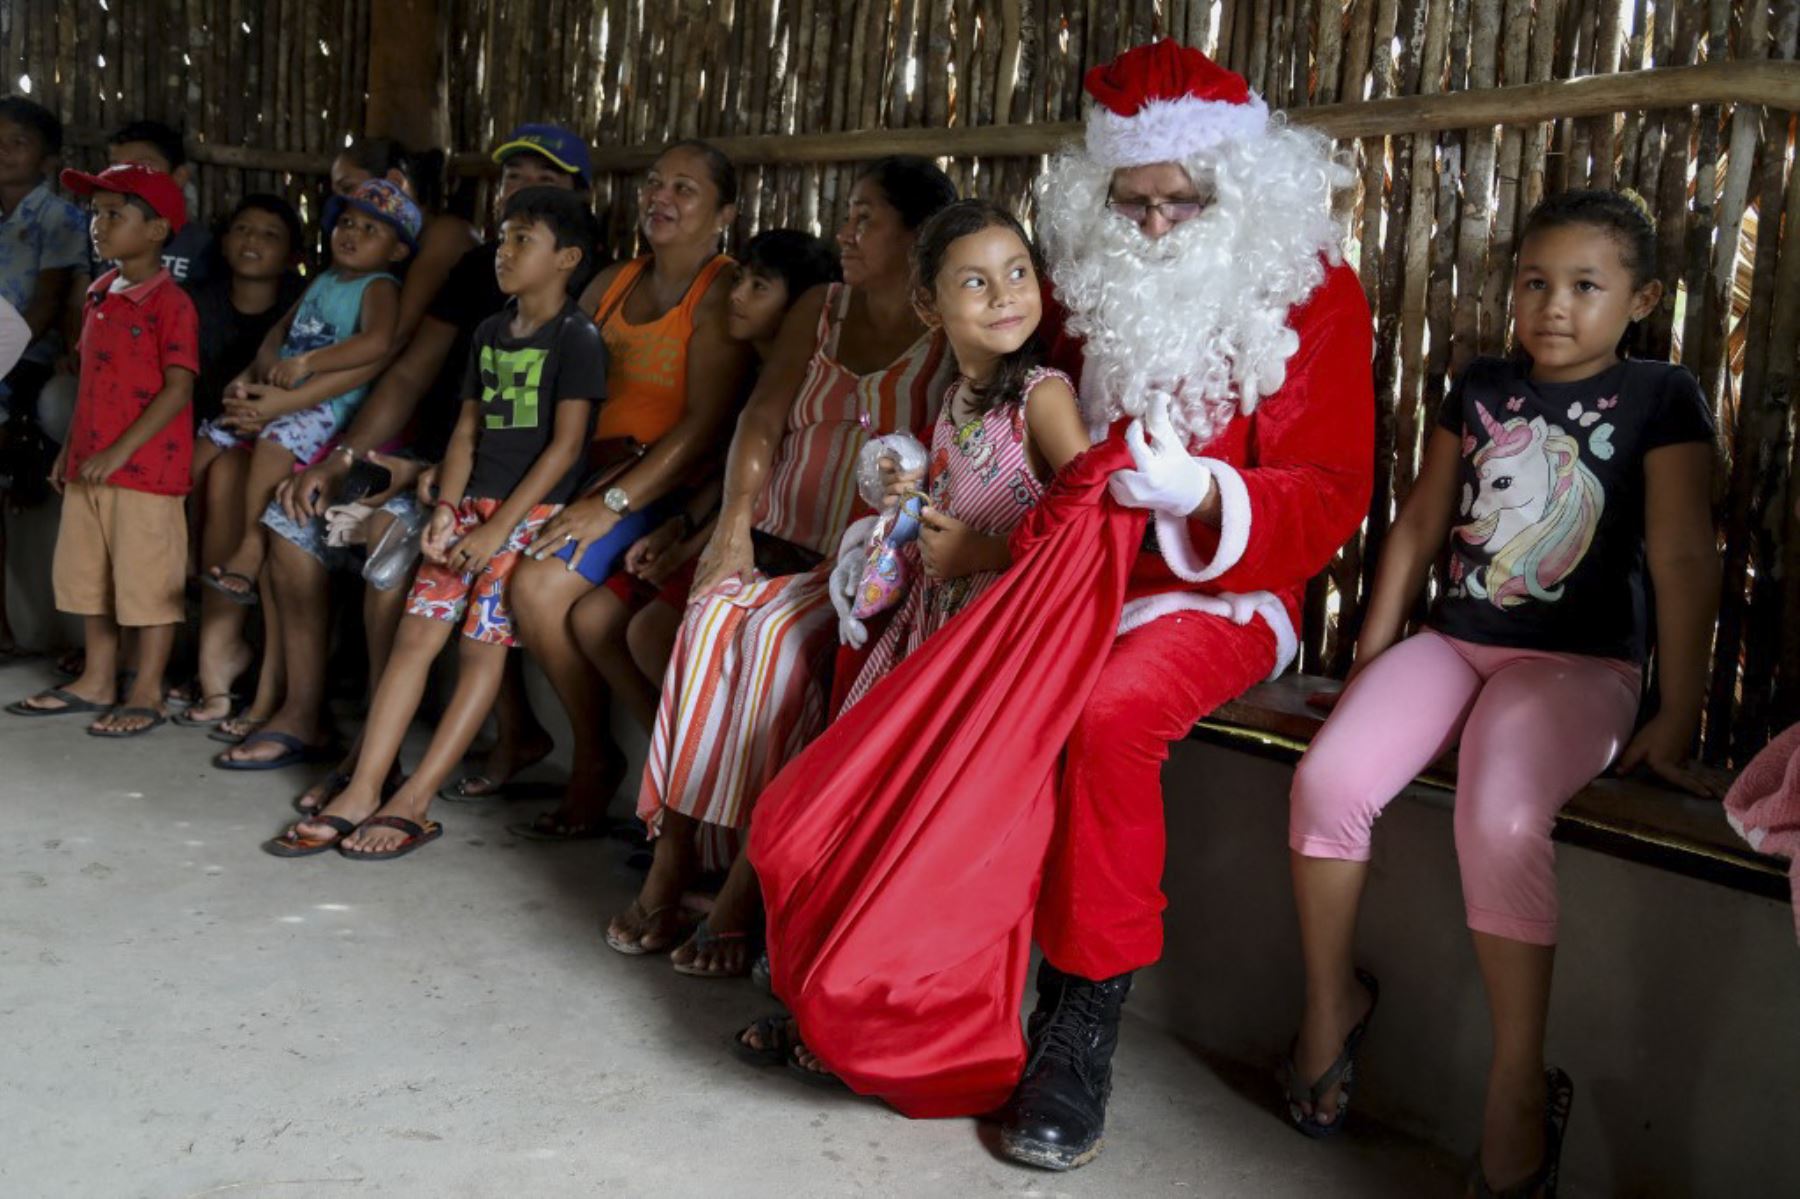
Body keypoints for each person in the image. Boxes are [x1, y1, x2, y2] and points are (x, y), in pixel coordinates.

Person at [746, 41, 1374, 1167]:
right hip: (1051, 571)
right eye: (1131, 201)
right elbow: (995, 424)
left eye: (1181, 201)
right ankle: (897, 988)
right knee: (928, 697)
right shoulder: (1080, 290)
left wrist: (1205, 493)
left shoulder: (1314, 293)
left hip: (1216, 591)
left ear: (1238, 188)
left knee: (1105, 717)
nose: (1154, 226)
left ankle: (1080, 1017)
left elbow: (1331, 495)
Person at [1285, 189, 1718, 1195]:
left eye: (1583, 285)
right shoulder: (1479, 385)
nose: (1552, 305)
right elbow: (1422, 523)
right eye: (1534, 281)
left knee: (1503, 814)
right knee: (1328, 780)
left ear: (1642, 297)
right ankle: (1326, 1006)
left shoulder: (1663, 396)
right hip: (1456, 641)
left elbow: (1687, 553)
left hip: (1577, 668)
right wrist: (1373, 653)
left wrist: (1677, 711)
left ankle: (1517, 1083)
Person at [607, 156, 958, 975]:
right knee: (704, 615)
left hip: (860, 565)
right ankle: (679, 855)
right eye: (848, 213)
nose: (846, 231)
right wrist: (729, 529)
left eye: (866, 216)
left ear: (916, 235)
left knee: (763, 640)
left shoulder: (948, 327)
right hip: (774, 533)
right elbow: (762, 420)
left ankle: (742, 893)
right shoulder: (820, 309)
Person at [222, 123, 592, 787]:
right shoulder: (483, 280)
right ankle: (307, 712)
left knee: (394, 543)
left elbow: (561, 435)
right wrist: (343, 457)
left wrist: (439, 483)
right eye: (514, 181)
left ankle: (377, 752)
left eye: (547, 185)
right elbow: (410, 376)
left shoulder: (582, 295)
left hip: (498, 487)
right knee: (292, 519)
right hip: (438, 465)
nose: (523, 197)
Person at [501, 139, 751, 834]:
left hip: (664, 481)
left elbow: (703, 428)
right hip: (593, 467)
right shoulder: (610, 283)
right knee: (490, 559)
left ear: (724, 213)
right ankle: (594, 758)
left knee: (540, 588)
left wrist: (608, 503)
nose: (661, 198)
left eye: (686, 189)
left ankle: (595, 759)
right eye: (655, 183)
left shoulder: (721, 291)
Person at [602, 228, 844, 782]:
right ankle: (672, 785)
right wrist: (679, 533)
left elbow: (757, 492)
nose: (737, 296)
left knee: (646, 633)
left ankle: (692, 788)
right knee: (610, 626)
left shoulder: (806, 380)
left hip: (762, 535)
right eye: (739, 280)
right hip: (710, 523)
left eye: (760, 287)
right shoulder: (748, 369)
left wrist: (685, 541)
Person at [4, 165, 197, 736]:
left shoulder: (171, 304)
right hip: (91, 464)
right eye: (97, 212)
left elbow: (178, 387)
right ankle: (97, 678)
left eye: (116, 213)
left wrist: (120, 451)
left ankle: (146, 690)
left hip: (145, 473)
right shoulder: (98, 293)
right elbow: (90, 382)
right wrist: (73, 450)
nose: (99, 223)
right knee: (90, 576)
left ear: (158, 229)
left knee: (145, 584)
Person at [199, 177, 418, 605]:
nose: (352, 234)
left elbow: (376, 342)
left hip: (325, 402)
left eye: (370, 230)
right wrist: (251, 377)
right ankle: (186, 557)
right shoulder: (323, 280)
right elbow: (280, 332)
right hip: (280, 390)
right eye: (347, 223)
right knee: (202, 450)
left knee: (273, 443)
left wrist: (306, 364)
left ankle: (251, 545)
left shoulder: (378, 287)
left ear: (397, 252)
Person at [174, 194, 307, 727]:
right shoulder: (194, 303)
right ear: (224, 241)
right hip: (212, 434)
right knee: (212, 467)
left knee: (226, 470)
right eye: (243, 231)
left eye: (270, 234)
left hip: (278, 440)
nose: (253, 242)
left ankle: (219, 648)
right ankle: (218, 649)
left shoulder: (303, 303)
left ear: (294, 253)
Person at [0, 95, 87, 658]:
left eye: (18, 143)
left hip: (24, 354)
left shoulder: (59, 217)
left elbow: (47, 307)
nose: (3, 153)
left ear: (48, 160)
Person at [330, 135, 480, 341]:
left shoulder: (447, 234)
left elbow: (396, 335)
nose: (344, 201)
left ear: (394, 181)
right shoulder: (363, 245)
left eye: (348, 188)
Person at [102, 120, 214, 287]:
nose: (128, 176)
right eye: (117, 168)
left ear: (178, 177)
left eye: (144, 167)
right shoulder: (95, 231)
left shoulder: (199, 245)